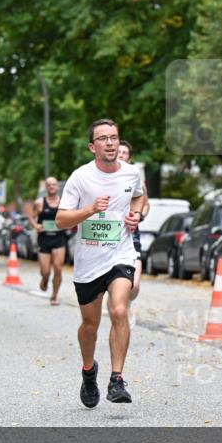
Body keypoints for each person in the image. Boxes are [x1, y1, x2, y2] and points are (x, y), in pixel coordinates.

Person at [56, 119, 146, 407]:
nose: (110, 143)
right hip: (89, 262)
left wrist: (136, 215)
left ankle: (116, 379)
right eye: (103, 138)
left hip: (121, 253)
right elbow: (60, 220)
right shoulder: (80, 178)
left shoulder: (132, 173)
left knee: (119, 309)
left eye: (114, 138)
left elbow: (140, 197)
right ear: (92, 146)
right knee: (90, 325)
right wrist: (90, 208)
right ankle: (88, 371)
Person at [117, 141, 150, 300]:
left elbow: (146, 204)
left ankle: (126, 305)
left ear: (129, 159)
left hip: (132, 235)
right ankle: (119, 309)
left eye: (125, 153)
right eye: (119, 152)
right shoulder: (105, 179)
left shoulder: (138, 181)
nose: (121, 154)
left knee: (134, 284)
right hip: (111, 237)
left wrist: (139, 215)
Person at [30, 177, 68, 305]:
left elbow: (68, 218)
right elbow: (31, 217)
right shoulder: (39, 202)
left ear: (57, 187)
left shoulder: (63, 203)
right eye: (49, 185)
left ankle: (54, 295)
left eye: (53, 184)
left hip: (59, 239)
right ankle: (44, 279)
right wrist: (36, 226)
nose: (51, 187)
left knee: (58, 268)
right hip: (44, 240)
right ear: (46, 188)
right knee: (45, 271)